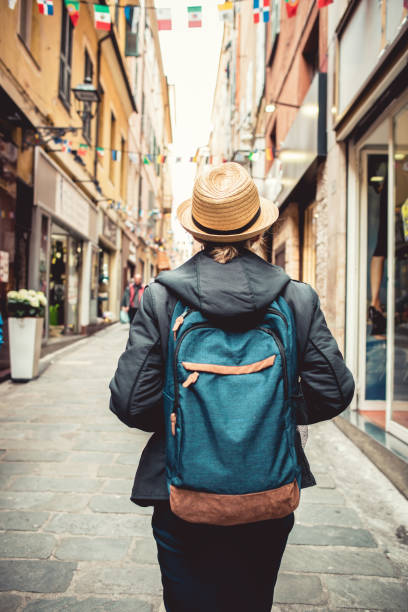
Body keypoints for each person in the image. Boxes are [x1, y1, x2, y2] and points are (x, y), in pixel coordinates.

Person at [109, 163, 355, 612]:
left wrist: (182, 413)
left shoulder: (160, 298)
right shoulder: (297, 298)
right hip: (269, 484)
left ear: (198, 233)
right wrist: (273, 410)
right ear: (257, 230)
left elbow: (129, 401)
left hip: (180, 487)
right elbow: (334, 392)